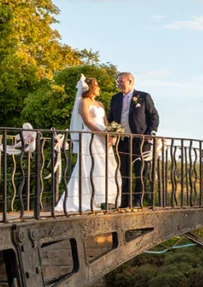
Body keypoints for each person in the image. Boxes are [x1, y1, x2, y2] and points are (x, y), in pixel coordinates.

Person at [56, 75, 121, 212]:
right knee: (91, 166)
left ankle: (106, 199)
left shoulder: (100, 104)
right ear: (90, 87)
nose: (99, 88)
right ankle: (88, 199)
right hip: (91, 137)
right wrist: (102, 134)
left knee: (106, 167)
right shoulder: (83, 102)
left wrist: (111, 135)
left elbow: (105, 123)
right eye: (96, 85)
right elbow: (88, 122)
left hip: (103, 138)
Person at [109, 72, 159, 207]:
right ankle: (125, 201)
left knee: (140, 171)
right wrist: (112, 133)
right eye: (118, 81)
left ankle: (138, 201)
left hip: (140, 140)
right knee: (124, 172)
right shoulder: (115, 98)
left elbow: (154, 116)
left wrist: (149, 136)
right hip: (122, 141)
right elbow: (111, 118)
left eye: (121, 81)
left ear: (130, 81)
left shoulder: (143, 97)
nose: (118, 84)